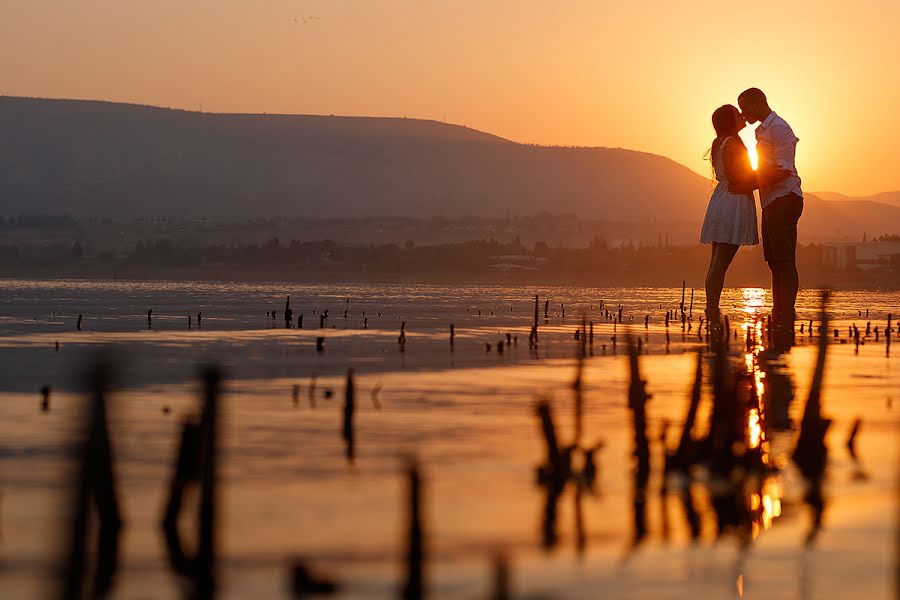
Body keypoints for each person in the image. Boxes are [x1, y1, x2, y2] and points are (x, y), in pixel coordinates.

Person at [733, 88, 803, 337]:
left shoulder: (779, 128)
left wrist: (749, 182)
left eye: (744, 107)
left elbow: (784, 169)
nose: (743, 113)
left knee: (785, 260)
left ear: (756, 103)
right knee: (774, 262)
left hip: (785, 198)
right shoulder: (762, 131)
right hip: (771, 200)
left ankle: (787, 311)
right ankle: (779, 311)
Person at [700, 104, 758, 321]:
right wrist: (767, 175)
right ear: (729, 120)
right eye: (736, 113)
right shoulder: (733, 144)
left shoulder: (721, 142)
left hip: (721, 199)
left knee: (716, 260)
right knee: (721, 262)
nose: (741, 115)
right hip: (732, 202)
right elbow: (741, 176)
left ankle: (711, 306)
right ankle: (712, 308)